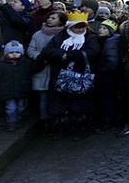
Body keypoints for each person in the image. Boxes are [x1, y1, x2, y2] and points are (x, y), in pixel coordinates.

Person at [40, 10, 101, 140]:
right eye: (77, 27)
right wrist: (60, 54)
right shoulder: (60, 37)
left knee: (80, 104)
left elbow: (93, 52)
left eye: (82, 27)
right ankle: (61, 128)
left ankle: (81, 129)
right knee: (59, 103)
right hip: (60, 76)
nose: (80, 30)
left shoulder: (91, 37)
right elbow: (47, 51)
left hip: (81, 76)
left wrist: (68, 55)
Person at [27, 10, 67, 134]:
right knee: (43, 98)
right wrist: (40, 58)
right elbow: (31, 49)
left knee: (57, 98)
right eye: (49, 17)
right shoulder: (38, 34)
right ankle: (45, 122)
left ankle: (57, 122)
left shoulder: (65, 35)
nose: (49, 19)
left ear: (60, 21)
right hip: (42, 70)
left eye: (53, 18)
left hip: (58, 70)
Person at [0, 40, 32, 131]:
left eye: (17, 52)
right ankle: (11, 123)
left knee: (21, 107)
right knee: (11, 108)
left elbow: (31, 72)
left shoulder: (26, 64)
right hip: (8, 91)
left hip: (21, 90)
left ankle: (18, 120)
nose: (14, 54)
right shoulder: (0, 66)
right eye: (11, 52)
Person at [94, 19, 121, 131]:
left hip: (108, 77)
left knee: (107, 99)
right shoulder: (104, 41)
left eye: (104, 28)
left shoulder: (109, 43)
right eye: (100, 27)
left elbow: (112, 62)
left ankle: (109, 121)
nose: (101, 30)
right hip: (106, 76)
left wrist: (101, 71)